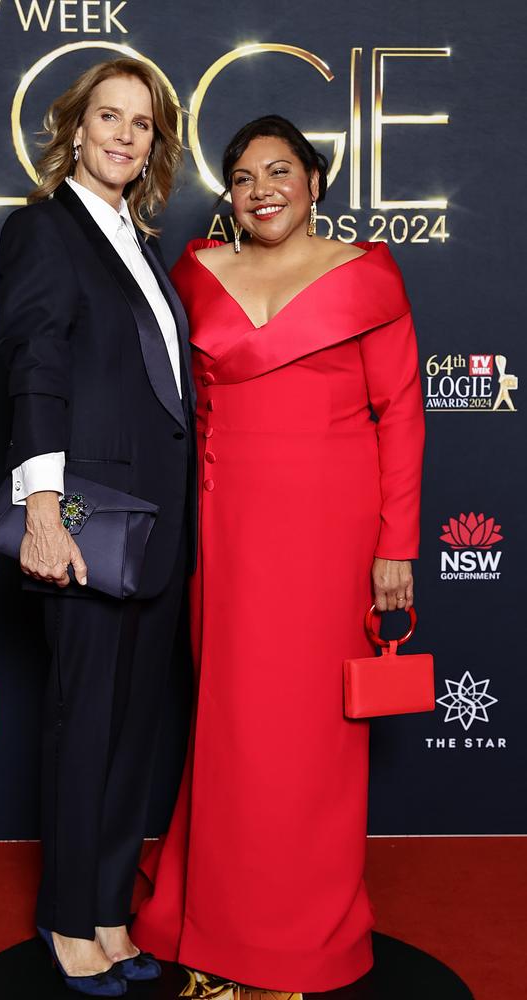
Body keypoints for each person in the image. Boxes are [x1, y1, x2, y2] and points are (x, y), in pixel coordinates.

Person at [132, 115, 425, 992]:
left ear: (314, 181)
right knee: (233, 726)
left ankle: (304, 929)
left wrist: (396, 546)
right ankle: (217, 921)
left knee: (313, 739)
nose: (263, 189)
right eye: (245, 176)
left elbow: (402, 415)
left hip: (336, 533)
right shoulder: (195, 271)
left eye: (280, 170)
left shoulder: (365, 274)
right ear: (230, 194)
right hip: (229, 530)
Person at [0, 58, 196, 995]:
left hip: (162, 531)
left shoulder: (140, 242)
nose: (124, 134)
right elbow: (37, 365)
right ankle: (68, 920)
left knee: (132, 730)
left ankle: (110, 910)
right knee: (84, 725)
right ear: (75, 129)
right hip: (87, 521)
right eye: (108, 117)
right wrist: (41, 509)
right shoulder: (44, 230)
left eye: (142, 124)